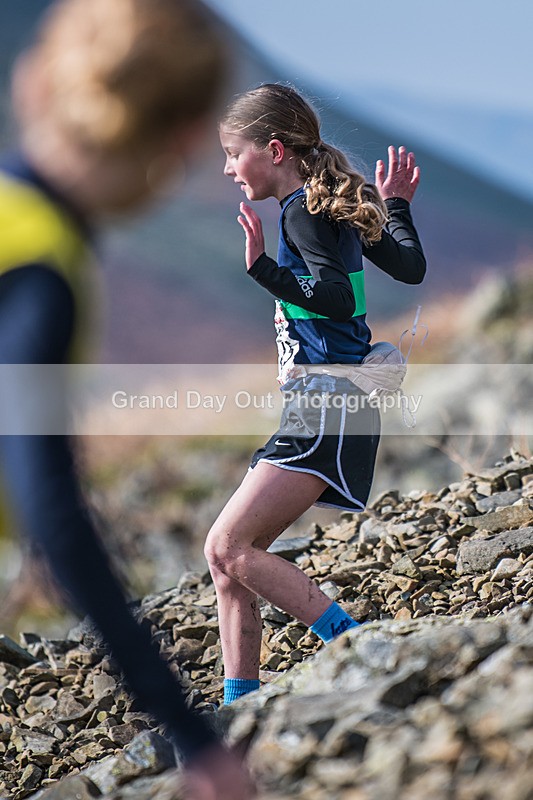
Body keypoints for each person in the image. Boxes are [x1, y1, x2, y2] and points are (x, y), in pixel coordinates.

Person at [0, 1, 255, 798]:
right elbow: (53, 514)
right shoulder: (40, 270)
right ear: (181, 142)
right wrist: (191, 734)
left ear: (38, 81)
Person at [206, 83, 426, 705]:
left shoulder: (303, 210)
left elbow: (331, 297)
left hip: (330, 402)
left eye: (232, 152)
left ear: (272, 149)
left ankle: (354, 641)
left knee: (227, 546)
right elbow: (409, 268)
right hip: (329, 404)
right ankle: (238, 702)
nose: (227, 167)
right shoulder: (332, 203)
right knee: (230, 563)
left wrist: (262, 270)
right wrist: (397, 207)